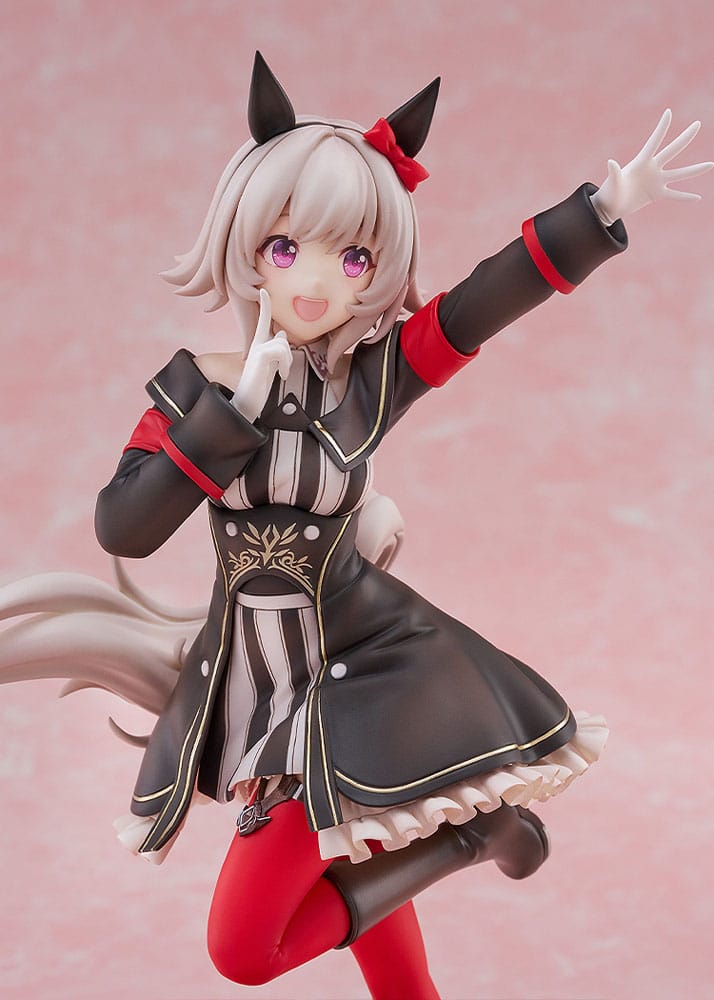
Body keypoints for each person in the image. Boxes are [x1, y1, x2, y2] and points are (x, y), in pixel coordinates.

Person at [4, 52, 711, 1000]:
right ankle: (460, 864)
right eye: (287, 249)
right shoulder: (191, 390)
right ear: (247, 243)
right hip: (253, 689)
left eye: (353, 259)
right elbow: (123, 528)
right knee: (361, 897)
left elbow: (474, 307)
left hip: (362, 676)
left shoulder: (369, 385)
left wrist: (600, 211)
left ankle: (465, 840)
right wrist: (233, 412)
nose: (316, 283)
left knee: (242, 951)